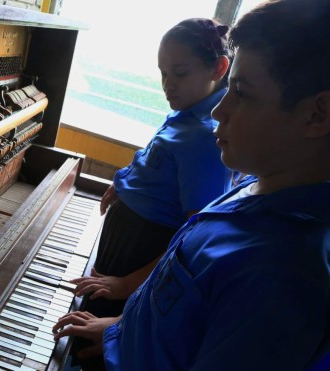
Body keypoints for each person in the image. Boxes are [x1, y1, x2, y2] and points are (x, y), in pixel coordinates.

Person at [53, 0, 330, 369]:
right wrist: (120, 329)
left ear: (317, 114)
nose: (218, 111)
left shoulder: (285, 277)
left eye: (242, 93)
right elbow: (175, 308)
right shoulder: (253, 188)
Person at [67, 17, 233, 369]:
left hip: (139, 262)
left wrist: (127, 284)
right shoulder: (186, 114)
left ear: (219, 68)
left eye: (180, 73)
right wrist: (124, 183)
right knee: (83, 330)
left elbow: (194, 238)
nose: (167, 85)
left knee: (95, 351)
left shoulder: (206, 138)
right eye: (163, 73)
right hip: (124, 252)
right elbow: (160, 169)